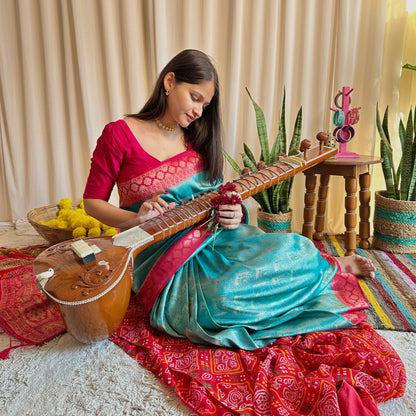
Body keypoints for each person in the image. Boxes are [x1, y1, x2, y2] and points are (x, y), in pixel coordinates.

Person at [83, 49, 376, 350]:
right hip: (159, 252)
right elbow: (92, 202)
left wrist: (237, 214)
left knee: (296, 249)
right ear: (169, 82)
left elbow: (219, 197)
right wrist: (135, 220)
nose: (199, 111)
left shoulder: (197, 139)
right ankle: (324, 271)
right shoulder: (119, 134)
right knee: (221, 298)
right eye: (195, 97)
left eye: (205, 105)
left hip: (215, 239)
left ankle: (333, 265)